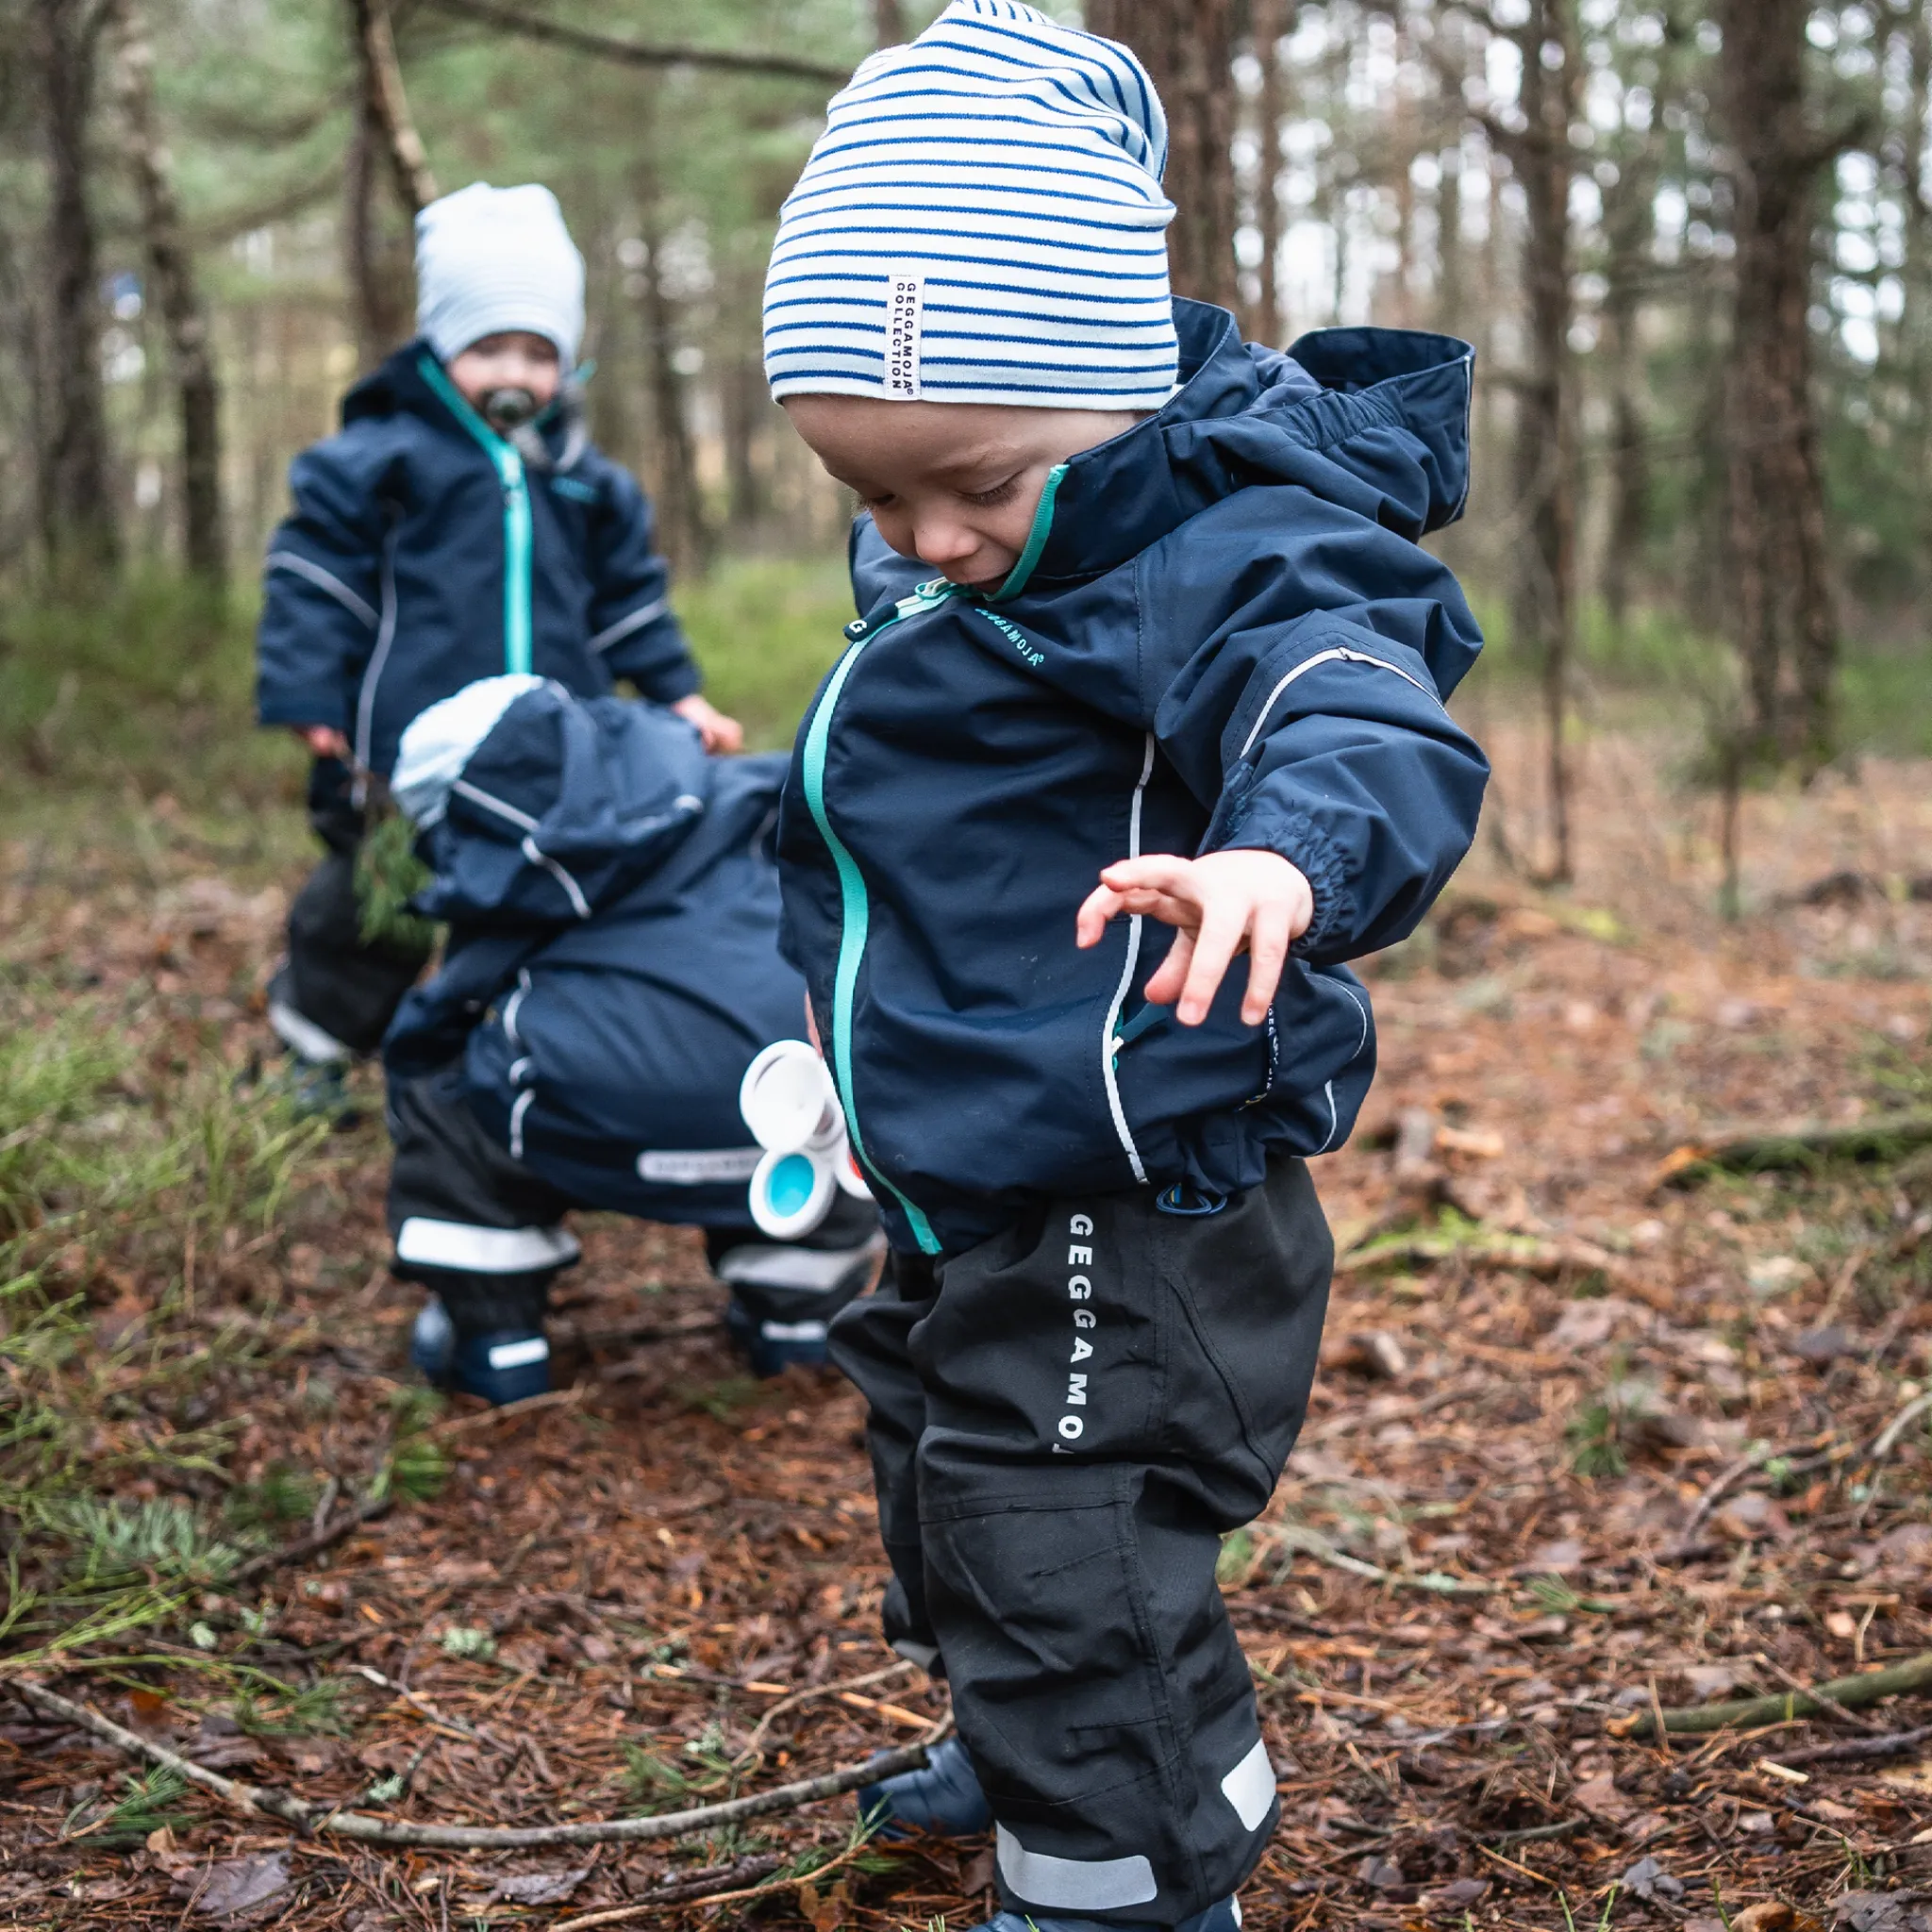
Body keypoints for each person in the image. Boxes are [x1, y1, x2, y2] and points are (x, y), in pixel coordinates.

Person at [760, 8, 1491, 1930]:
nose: (925, 536)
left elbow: (1357, 704)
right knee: (940, 1457)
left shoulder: (1237, 544)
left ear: (1099, 391)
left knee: (1057, 1517)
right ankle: (1033, 1741)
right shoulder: (963, 568)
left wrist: (1281, 852)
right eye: (874, 497)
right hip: (971, 1154)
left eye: (971, 485)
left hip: (1138, 1171)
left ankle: (1131, 1868)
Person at [255, 181, 739, 1110]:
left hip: (550, 747)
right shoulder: (381, 459)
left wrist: (677, 693)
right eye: (487, 348)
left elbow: (627, 601)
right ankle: (317, 1042)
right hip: (404, 748)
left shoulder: (585, 482)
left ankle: (513, 1053)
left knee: (546, 890)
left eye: (537, 351)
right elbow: (315, 582)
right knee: (376, 902)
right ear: (440, 347)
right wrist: (311, 696)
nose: (513, 371)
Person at [381, 675, 881, 1405]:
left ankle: (496, 1337)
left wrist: (412, 1067)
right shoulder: (715, 779)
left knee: (446, 1098)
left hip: (586, 1110)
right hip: (782, 1112)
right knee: (831, 1078)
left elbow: (452, 1001)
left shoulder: (512, 855)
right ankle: (796, 1316)